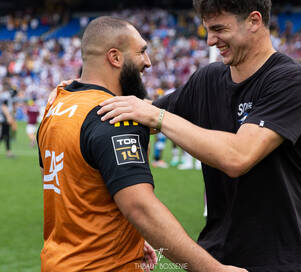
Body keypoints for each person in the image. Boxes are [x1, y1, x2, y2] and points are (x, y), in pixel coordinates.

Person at [97, 0, 301, 271]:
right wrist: (78, 97)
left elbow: (238, 156)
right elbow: (139, 118)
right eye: (207, 30)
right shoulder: (207, 79)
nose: (210, 41)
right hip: (216, 255)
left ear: (254, 21)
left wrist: (158, 116)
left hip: (283, 257)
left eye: (219, 29)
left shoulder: (290, 81)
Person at [38, 16, 246, 272]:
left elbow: (66, 183)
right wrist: (214, 269)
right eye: (142, 52)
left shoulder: (57, 103)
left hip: (59, 261)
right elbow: (141, 208)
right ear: (115, 58)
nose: (148, 62)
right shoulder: (114, 115)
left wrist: (131, 234)